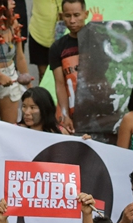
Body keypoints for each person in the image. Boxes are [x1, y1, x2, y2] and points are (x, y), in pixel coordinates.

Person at [49, 0, 84, 129]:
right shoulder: (57, 48)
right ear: (62, 16)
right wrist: (65, 114)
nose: (72, 20)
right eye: (68, 16)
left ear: (86, 14)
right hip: (72, 109)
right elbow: (60, 84)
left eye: (76, 15)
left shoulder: (98, 40)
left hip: (96, 107)